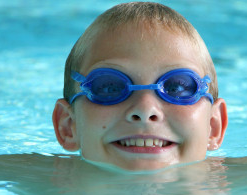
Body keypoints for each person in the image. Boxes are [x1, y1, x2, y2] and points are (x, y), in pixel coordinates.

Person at [52, 2, 228, 171]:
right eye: (109, 88)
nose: (145, 109)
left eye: (176, 88)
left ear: (213, 126)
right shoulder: (33, 180)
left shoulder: (245, 185)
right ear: (68, 126)